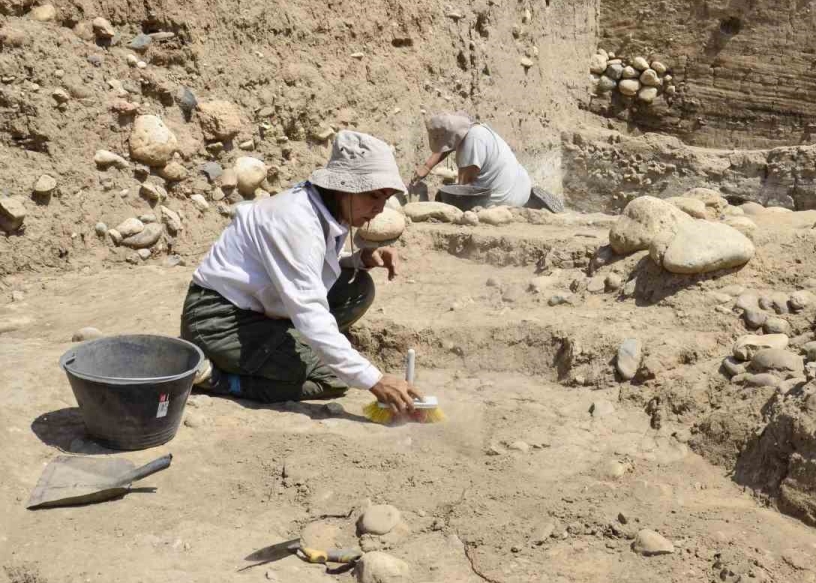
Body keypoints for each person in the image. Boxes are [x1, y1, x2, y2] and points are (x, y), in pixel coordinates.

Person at [180, 130, 421, 411]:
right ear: (346, 187)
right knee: (332, 377)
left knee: (357, 287)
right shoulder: (296, 221)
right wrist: (376, 380)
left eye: (386, 198)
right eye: (374, 196)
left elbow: (308, 262)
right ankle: (216, 377)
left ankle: (290, 348)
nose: (379, 209)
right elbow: (310, 310)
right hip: (218, 320)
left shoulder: (325, 209)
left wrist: (359, 259)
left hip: (258, 309)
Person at [411, 112, 562, 212]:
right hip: (522, 185)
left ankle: (515, 205)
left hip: (503, 199)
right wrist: (427, 167)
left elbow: (464, 187)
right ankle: (531, 203)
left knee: (448, 197)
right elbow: (449, 145)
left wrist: (446, 196)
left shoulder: (472, 142)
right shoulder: (476, 130)